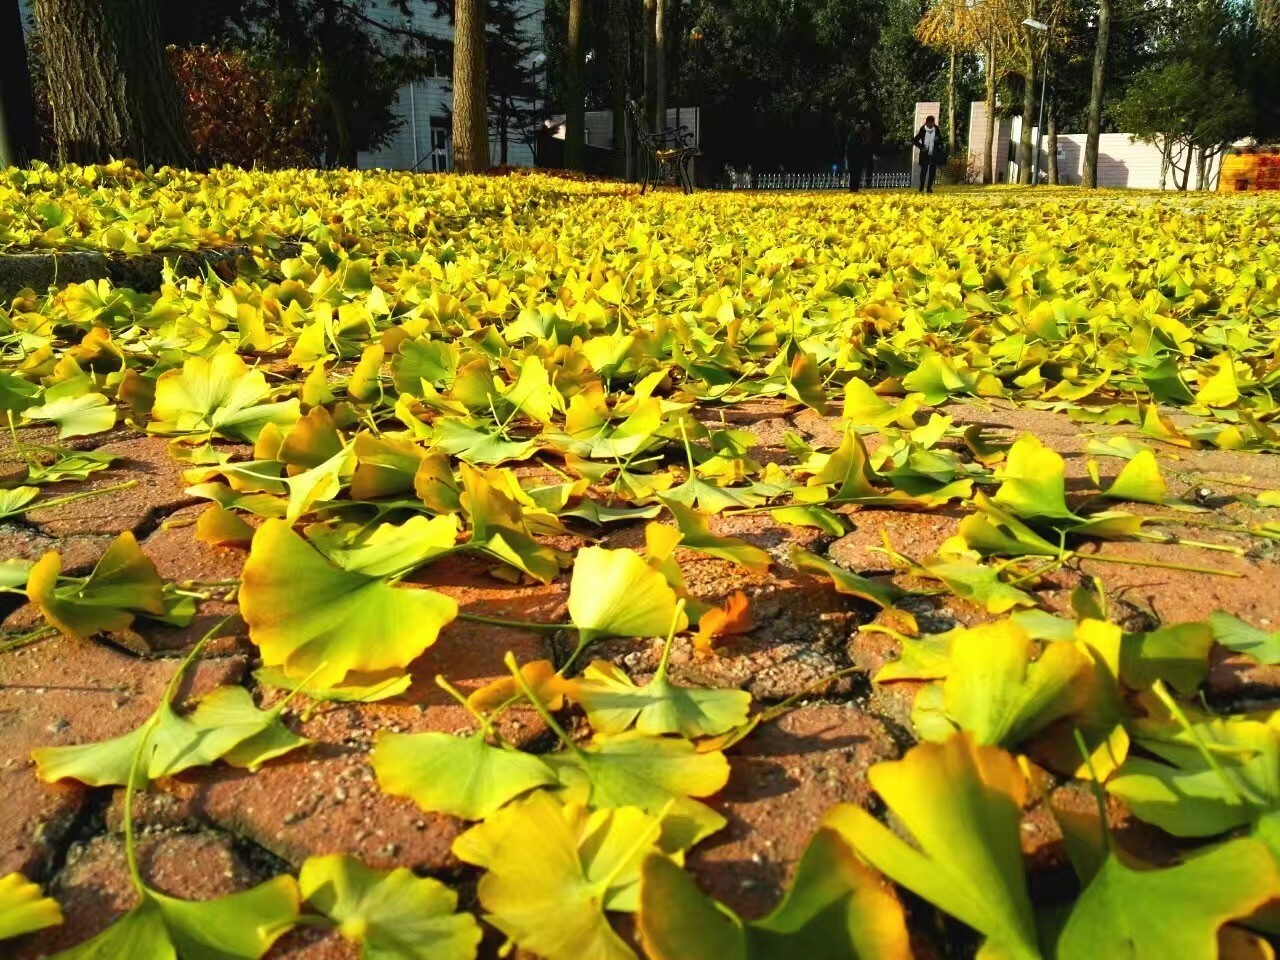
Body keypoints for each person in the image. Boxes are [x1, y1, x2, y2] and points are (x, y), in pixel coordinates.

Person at [912, 115, 946, 194]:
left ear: (934, 123)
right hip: (925, 153)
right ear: (926, 122)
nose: (930, 125)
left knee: (932, 171)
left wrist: (938, 143)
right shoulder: (922, 130)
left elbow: (941, 140)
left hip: (934, 153)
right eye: (929, 123)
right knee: (924, 170)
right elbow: (914, 140)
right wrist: (921, 147)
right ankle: (921, 186)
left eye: (932, 123)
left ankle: (929, 187)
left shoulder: (937, 129)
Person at [845, 121, 870, 192]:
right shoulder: (852, 136)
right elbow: (849, 148)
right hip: (852, 159)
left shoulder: (862, 137)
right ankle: (852, 188)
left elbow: (865, 147)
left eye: (859, 127)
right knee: (853, 174)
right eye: (857, 127)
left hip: (860, 159)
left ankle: (856, 188)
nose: (858, 129)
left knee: (858, 174)